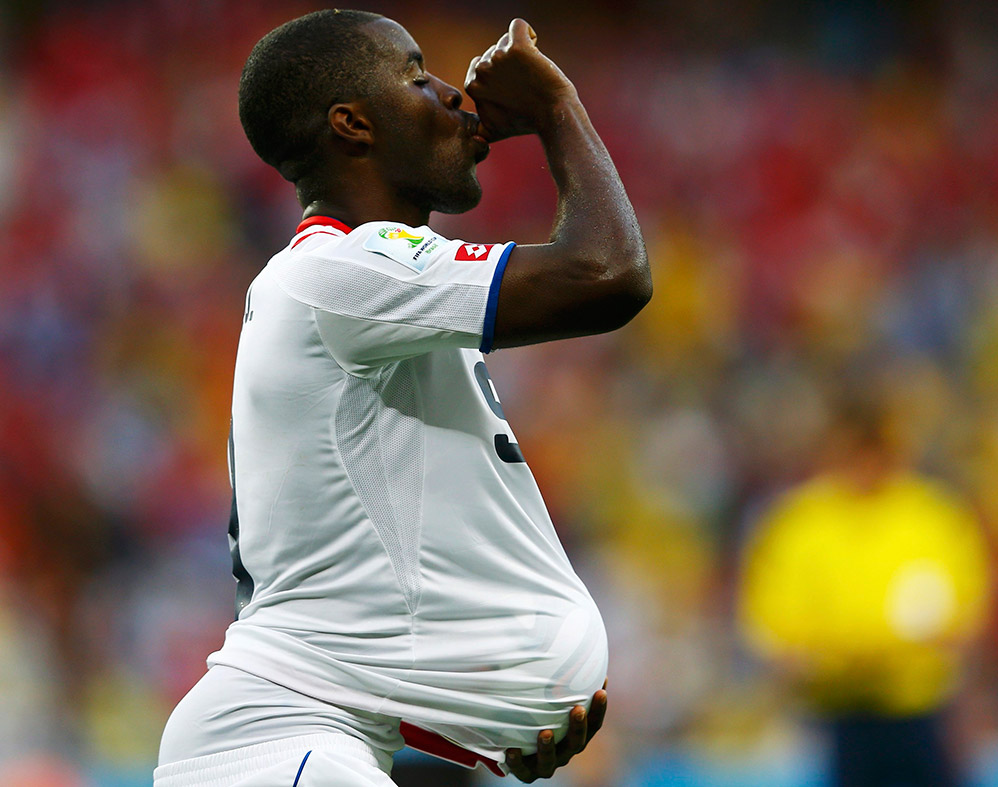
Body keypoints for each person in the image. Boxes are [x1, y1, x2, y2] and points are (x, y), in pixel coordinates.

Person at [153, 9, 650, 787]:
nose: (453, 94)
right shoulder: (341, 272)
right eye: (418, 77)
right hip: (282, 736)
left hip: (309, 733)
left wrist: (485, 709)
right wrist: (557, 105)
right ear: (352, 124)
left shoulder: (369, 290)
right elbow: (609, 274)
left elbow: (377, 579)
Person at [738, 395, 991, 787]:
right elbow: (774, 635)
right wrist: (847, 655)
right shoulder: (800, 524)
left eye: (875, 450)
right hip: (830, 717)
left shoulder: (933, 516)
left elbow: (967, 619)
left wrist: (884, 652)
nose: (866, 465)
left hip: (919, 712)